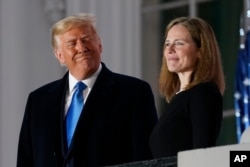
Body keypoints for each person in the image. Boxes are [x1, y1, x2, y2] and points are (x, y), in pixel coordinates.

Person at [17, 13, 158, 167]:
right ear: (59, 56)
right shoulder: (38, 100)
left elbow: (145, 159)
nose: (82, 48)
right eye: (72, 43)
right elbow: (26, 159)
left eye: (86, 39)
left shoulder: (134, 92)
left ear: (100, 44)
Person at [149, 17, 225, 158]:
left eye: (179, 43)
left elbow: (202, 155)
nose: (170, 50)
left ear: (200, 51)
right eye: (167, 44)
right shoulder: (179, 98)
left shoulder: (203, 93)